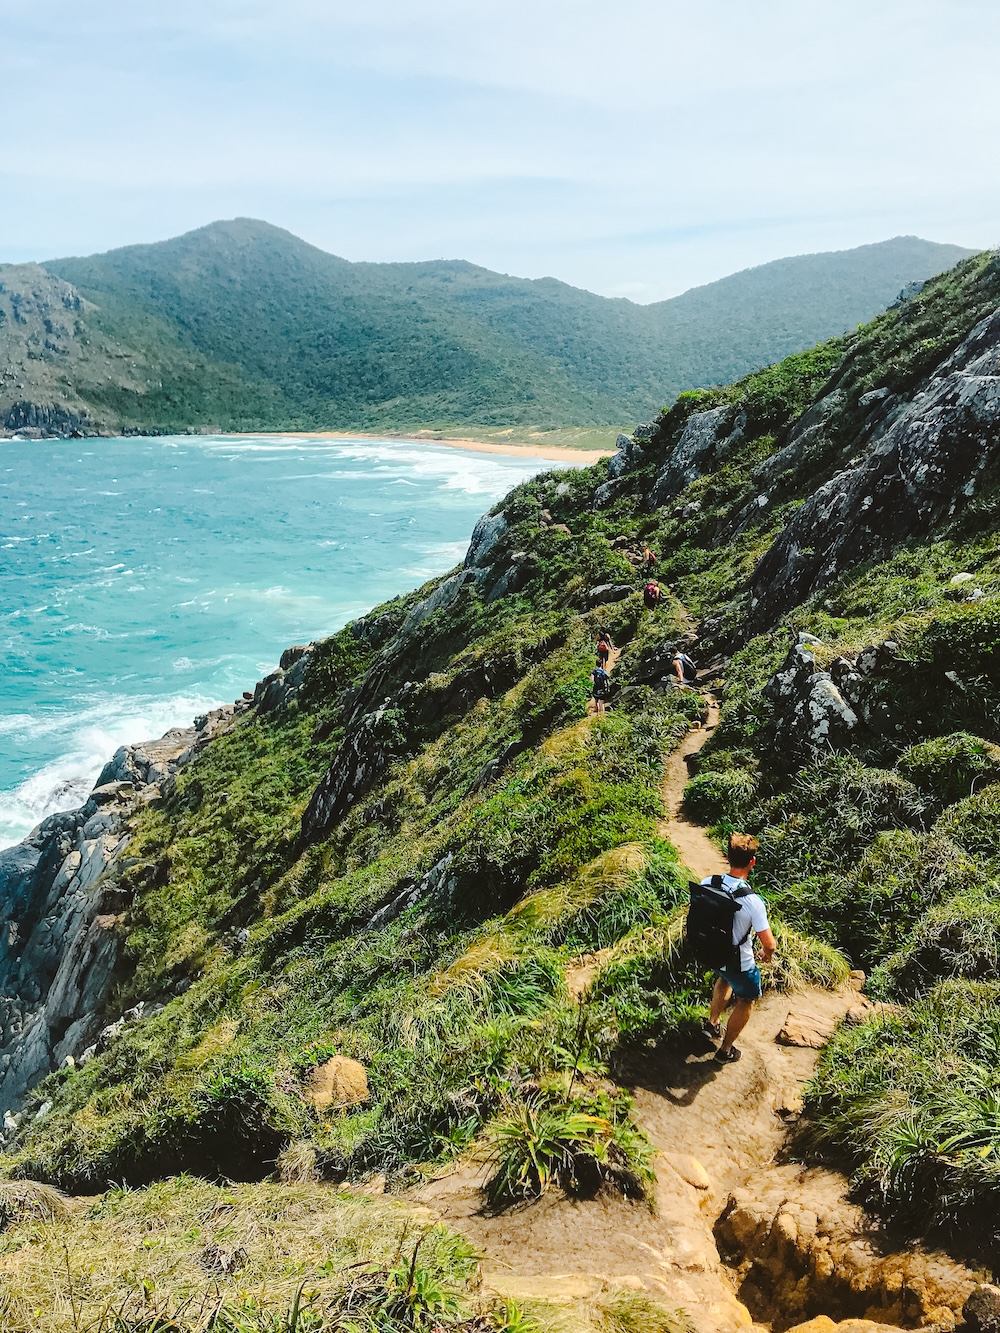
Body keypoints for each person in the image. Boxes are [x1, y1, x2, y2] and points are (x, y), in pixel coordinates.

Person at [701, 833, 776, 1064]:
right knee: (746, 999)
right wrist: (767, 954)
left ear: (727, 857)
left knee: (724, 979)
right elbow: (769, 943)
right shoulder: (753, 901)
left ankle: (712, 1024)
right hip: (739, 961)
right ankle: (725, 1050)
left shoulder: (708, 882)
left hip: (712, 953)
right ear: (752, 862)